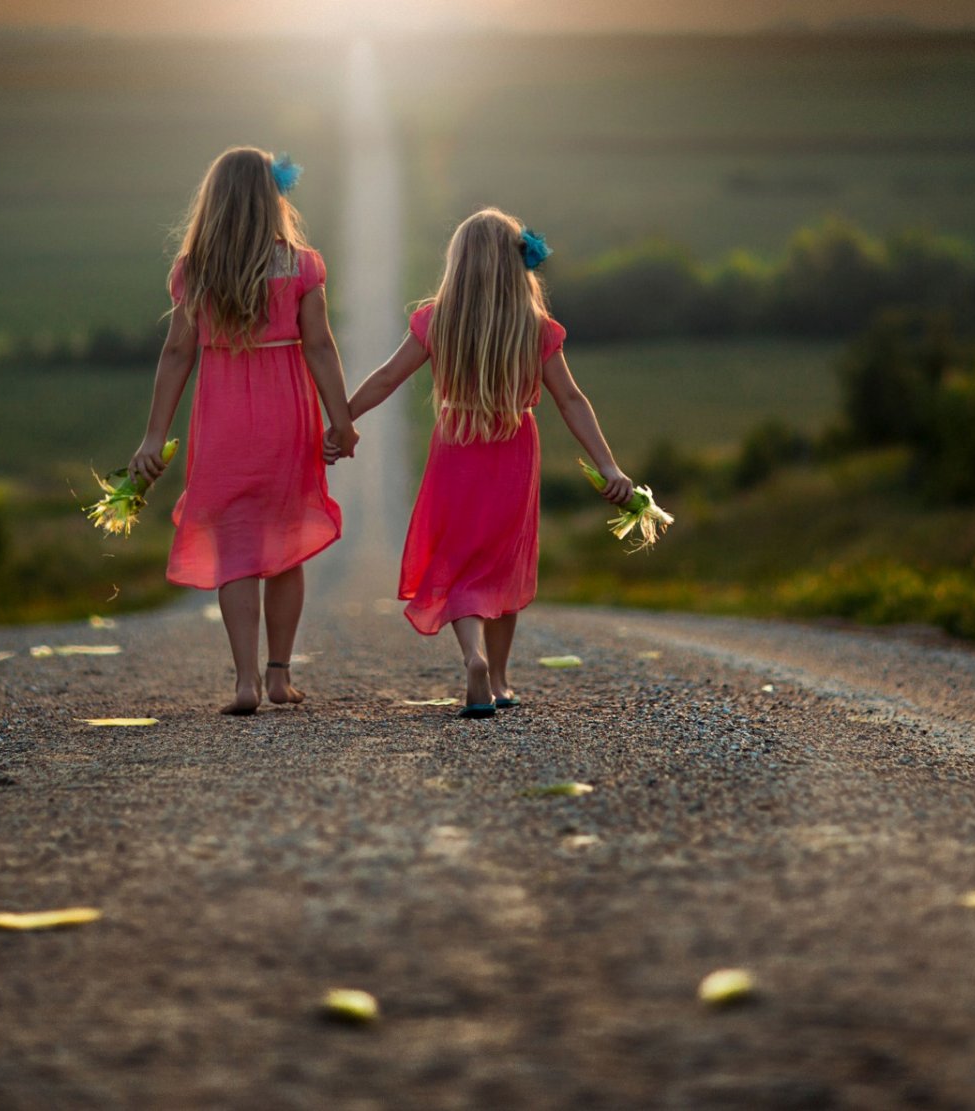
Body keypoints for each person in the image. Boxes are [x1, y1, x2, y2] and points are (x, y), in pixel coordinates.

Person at [341, 208, 632, 717]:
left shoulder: (436, 319)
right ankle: (498, 679)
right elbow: (571, 400)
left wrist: (341, 420)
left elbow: (388, 377)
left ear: (459, 263)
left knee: (458, 563)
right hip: (513, 448)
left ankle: (472, 658)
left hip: (456, 443)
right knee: (503, 563)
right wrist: (609, 465)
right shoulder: (535, 326)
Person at [129, 146, 357, 714]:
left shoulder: (194, 270)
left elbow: (177, 354)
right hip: (286, 414)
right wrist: (341, 420)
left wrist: (152, 438)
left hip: (223, 417)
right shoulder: (302, 266)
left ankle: (245, 681)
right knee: (283, 545)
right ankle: (280, 676)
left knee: (236, 548)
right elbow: (321, 347)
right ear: (272, 198)